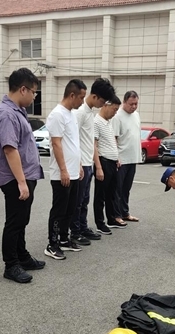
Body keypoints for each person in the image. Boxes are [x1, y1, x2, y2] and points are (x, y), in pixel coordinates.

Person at [0, 68, 45, 284]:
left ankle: (22, 256)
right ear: (23, 89)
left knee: (22, 220)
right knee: (14, 222)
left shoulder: (18, 112)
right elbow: (10, 150)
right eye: (33, 92)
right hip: (16, 179)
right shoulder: (6, 114)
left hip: (24, 177)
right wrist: (22, 183)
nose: (34, 96)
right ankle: (11, 265)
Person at [44, 79, 87, 260]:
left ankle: (63, 239)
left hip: (74, 171)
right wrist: (63, 170)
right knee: (59, 210)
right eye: (81, 98)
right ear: (72, 95)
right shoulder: (57, 115)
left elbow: (72, 143)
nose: (82, 102)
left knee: (71, 208)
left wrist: (77, 165)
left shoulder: (71, 114)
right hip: (62, 173)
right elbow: (56, 143)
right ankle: (52, 244)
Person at [70, 78, 116, 246]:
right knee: (78, 201)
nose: (102, 104)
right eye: (102, 101)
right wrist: (80, 163)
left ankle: (82, 227)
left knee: (84, 200)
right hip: (82, 164)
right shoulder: (80, 112)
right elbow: (73, 139)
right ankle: (75, 231)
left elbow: (90, 141)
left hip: (88, 162)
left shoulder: (90, 112)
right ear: (95, 96)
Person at [93, 96, 122, 235]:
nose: (115, 112)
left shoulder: (108, 122)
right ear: (106, 105)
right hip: (103, 161)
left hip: (112, 161)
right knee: (101, 195)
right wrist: (98, 167)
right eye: (114, 109)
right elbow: (94, 145)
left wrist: (117, 157)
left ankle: (111, 219)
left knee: (111, 193)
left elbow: (111, 141)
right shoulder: (96, 122)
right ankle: (100, 223)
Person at [112, 90, 141, 226]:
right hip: (121, 159)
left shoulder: (136, 115)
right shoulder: (117, 116)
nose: (134, 107)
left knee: (126, 189)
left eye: (136, 104)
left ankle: (125, 212)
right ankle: (116, 215)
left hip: (133, 158)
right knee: (117, 189)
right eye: (131, 104)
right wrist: (116, 157)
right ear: (124, 102)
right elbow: (114, 138)